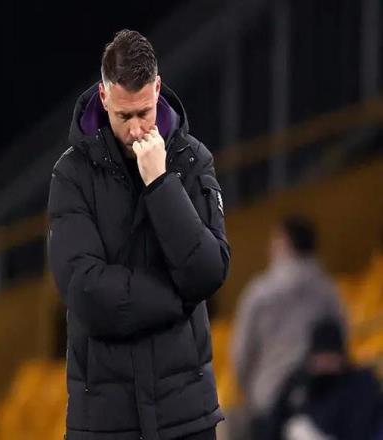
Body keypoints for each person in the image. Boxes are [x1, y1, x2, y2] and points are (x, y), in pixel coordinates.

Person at [48, 29, 230, 440]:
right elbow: (86, 293)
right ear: (104, 96)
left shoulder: (192, 160)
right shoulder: (71, 174)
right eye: (124, 116)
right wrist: (177, 298)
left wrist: (161, 183)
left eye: (144, 113)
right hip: (105, 423)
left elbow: (208, 272)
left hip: (187, 416)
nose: (135, 129)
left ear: (158, 89)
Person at [231, 216, 345, 439]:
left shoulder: (259, 293)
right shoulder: (326, 289)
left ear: (284, 243)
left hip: (269, 400)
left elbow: (242, 353)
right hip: (320, 399)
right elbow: (341, 336)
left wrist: (251, 392)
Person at [268, 318, 383, 440]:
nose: (325, 365)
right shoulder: (298, 385)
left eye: (330, 359)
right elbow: (274, 424)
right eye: (321, 359)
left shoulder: (360, 385)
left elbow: (362, 427)